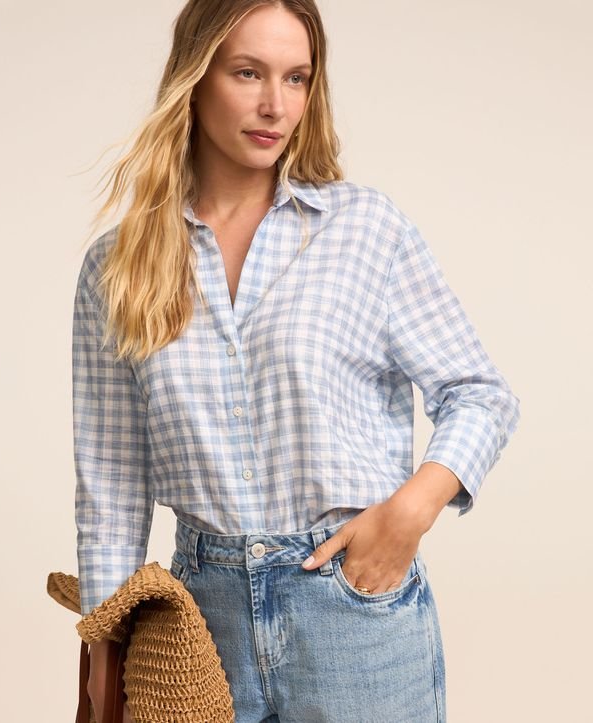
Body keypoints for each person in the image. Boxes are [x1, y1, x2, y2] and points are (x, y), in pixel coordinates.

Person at [73, 1, 521, 721]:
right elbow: (111, 482)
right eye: (247, 73)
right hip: (197, 626)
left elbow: (481, 393)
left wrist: (409, 513)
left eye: (296, 78)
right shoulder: (117, 265)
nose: (275, 105)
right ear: (195, 78)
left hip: (351, 604)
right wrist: (103, 653)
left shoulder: (364, 230)